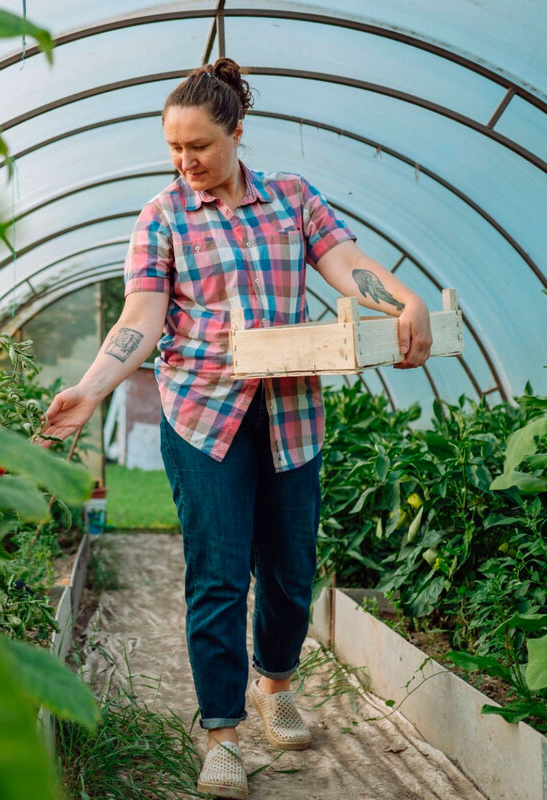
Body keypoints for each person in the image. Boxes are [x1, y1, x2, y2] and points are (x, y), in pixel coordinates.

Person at [38, 58, 432, 799]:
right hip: (202, 417)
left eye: (201, 148)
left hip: (289, 413)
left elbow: (346, 264)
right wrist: (90, 391)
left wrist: (403, 301)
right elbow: (142, 317)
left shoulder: (292, 201)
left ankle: (274, 683)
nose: (187, 163)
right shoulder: (162, 216)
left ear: (238, 133)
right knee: (216, 578)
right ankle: (221, 736)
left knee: (289, 570)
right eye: (175, 150)